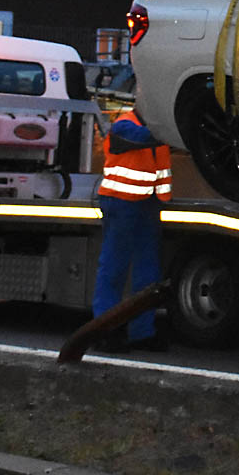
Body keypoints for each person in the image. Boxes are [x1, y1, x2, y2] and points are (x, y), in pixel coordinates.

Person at [92, 105, 172, 352]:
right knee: (114, 269)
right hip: (122, 202)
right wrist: (171, 130)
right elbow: (141, 138)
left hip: (146, 204)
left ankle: (142, 333)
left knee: (147, 273)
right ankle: (105, 332)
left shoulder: (152, 128)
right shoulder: (124, 125)